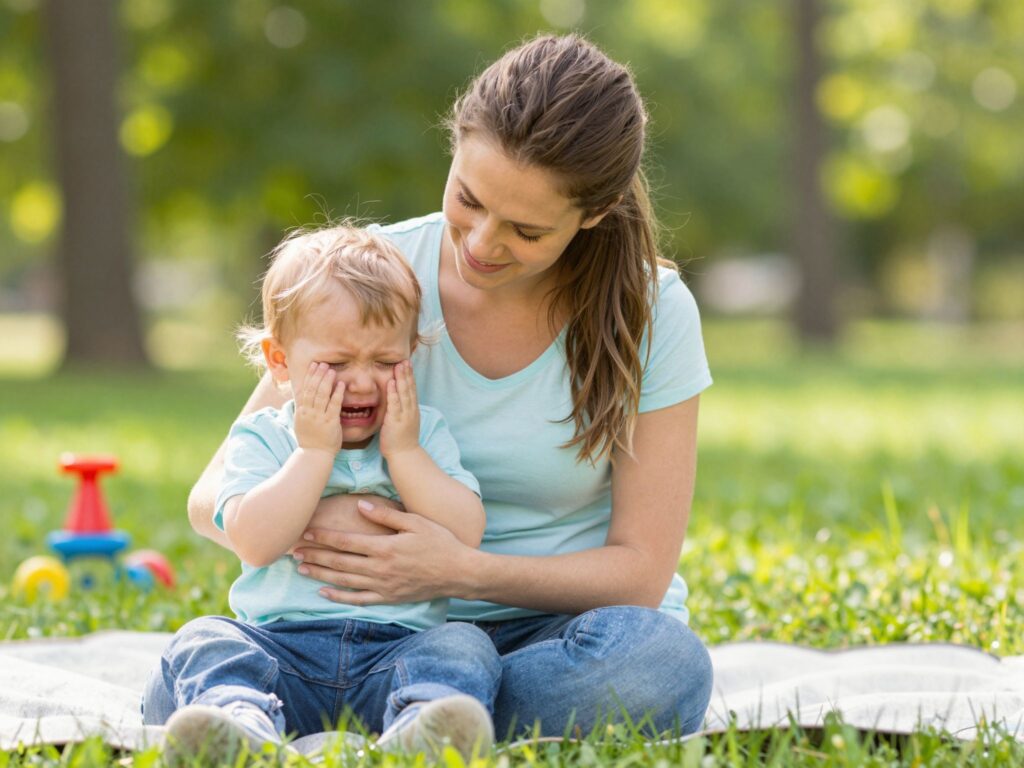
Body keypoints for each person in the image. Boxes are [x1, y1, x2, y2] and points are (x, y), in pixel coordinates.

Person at [181, 33, 714, 741]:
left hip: (555, 632)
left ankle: (406, 710)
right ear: (454, 147)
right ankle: (418, 711)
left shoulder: (655, 309)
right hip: (382, 634)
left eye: (526, 230)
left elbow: (641, 572)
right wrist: (316, 514)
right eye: (468, 198)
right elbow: (209, 497)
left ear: (593, 213)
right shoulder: (373, 277)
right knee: (206, 651)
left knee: (663, 666)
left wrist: (457, 570)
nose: (482, 244)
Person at [143, 225, 501, 763]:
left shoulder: (421, 434)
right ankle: (240, 729)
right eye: (336, 364)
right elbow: (255, 543)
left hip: (397, 652)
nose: (362, 382)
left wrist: (404, 455)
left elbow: (466, 531)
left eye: (386, 363)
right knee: (205, 639)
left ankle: (424, 728)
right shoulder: (266, 435)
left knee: (465, 646)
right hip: (281, 655)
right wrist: (313, 454)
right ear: (279, 362)